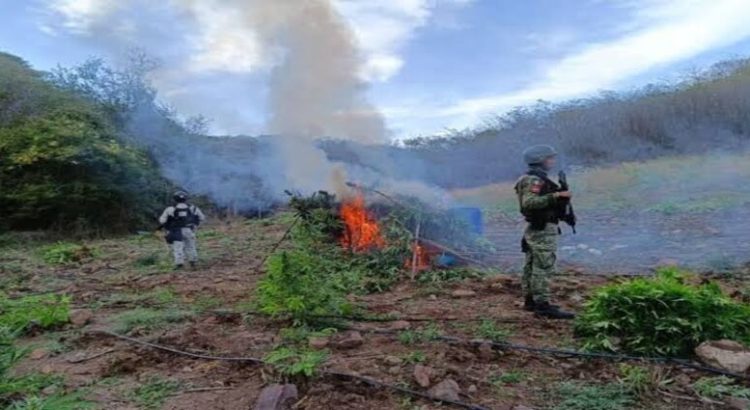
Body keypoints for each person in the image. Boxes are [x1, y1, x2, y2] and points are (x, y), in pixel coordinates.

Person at [514, 145, 575, 319]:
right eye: (549, 158)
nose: (552, 161)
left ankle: (532, 301)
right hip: (542, 228)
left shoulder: (533, 178)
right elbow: (529, 203)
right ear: (540, 159)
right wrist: (556, 196)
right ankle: (542, 305)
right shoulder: (535, 180)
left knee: (532, 265)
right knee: (543, 266)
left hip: (538, 227)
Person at [158, 191, 206, 269]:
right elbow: (202, 218)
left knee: (177, 247)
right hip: (189, 230)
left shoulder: (170, 209)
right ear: (186, 198)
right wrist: (196, 225)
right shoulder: (193, 208)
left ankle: (179, 264)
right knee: (190, 246)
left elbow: (162, 220)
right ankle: (193, 263)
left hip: (176, 231)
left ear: (175, 199)